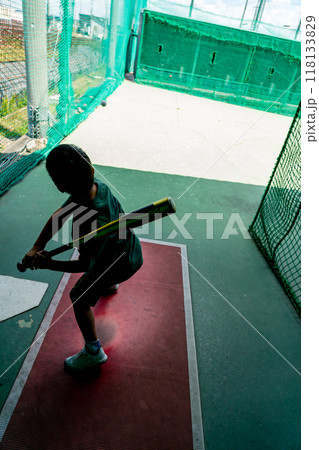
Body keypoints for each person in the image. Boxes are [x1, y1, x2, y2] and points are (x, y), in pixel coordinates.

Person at [22, 144, 143, 373]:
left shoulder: (90, 226)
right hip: (128, 250)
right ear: (92, 170)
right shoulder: (99, 188)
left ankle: (94, 351)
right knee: (102, 265)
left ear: (60, 186)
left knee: (78, 297)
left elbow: (85, 265)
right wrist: (38, 245)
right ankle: (108, 283)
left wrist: (49, 263)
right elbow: (60, 215)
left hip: (119, 264)